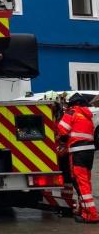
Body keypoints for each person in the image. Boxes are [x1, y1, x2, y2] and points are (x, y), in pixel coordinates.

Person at [57, 93, 99, 224]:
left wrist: (61, 142)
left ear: (73, 104)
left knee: (80, 184)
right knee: (86, 182)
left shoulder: (71, 112)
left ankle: (91, 215)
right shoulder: (87, 116)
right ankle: (84, 210)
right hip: (89, 152)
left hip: (77, 152)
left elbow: (62, 130)